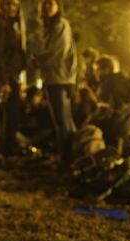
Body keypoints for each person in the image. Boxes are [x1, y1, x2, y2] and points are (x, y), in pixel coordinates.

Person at [34, 0, 77, 164]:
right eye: (45, 4)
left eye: (51, 3)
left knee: (63, 121)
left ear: (58, 6)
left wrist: (37, 61)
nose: (47, 7)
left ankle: (67, 158)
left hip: (60, 79)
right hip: (54, 79)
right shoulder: (50, 27)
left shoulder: (60, 25)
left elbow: (57, 53)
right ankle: (69, 155)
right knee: (62, 120)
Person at [0, 0, 25, 156]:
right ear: (1, 5)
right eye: (8, 4)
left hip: (12, 73)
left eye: (15, 5)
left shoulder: (12, 24)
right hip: (5, 75)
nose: (11, 8)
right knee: (11, 113)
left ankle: (9, 147)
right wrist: (4, 81)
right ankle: (7, 150)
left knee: (12, 112)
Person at [93, 55, 130, 149]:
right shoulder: (122, 83)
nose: (95, 73)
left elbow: (106, 113)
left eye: (97, 69)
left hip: (114, 131)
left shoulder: (107, 85)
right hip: (129, 128)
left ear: (106, 69)